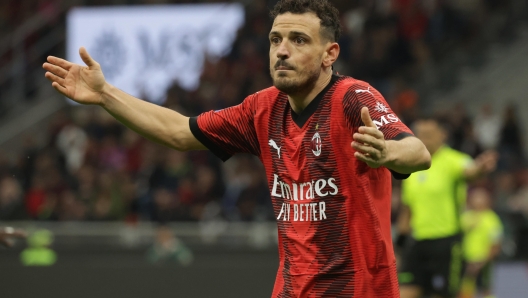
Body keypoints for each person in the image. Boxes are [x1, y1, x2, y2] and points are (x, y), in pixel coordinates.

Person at [43, 0, 431, 296]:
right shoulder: (261, 108)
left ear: (330, 54)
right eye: (276, 40)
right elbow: (180, 131)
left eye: (299, 40)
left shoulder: (352, 98)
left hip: (357, 290)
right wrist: (106, 94)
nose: (282, 50)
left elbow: (417, 152)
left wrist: (386, 154)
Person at [397, 118, 497, 298]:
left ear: (442, 135)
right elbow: (407, 209)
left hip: (446, 242)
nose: (425, 139)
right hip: (417, 242)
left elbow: (471, 172)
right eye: (421, 135)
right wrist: (399, 243)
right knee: (405, 292)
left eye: (429, 134)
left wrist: (481, 168)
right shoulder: (411, 166)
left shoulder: (454, 160)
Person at [459, 188, 503, 298]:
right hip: (466, 260)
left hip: (483, 261)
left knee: (485, 288)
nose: (477, 200)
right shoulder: (465, 217)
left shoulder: (491, 219)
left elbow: (495, 243)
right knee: (464, 289)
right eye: (475, 197)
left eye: (480, 198)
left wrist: (483, 261)